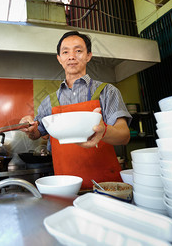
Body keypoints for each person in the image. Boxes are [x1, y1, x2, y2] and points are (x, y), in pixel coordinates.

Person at [20, 31, 131, 190]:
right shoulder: (48, 101)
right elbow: (37, 132)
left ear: (88, 56)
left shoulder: (107, 91)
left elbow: (124, 136)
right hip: (64, 186)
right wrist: (28, 127)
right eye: (65, 52)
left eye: (78, 51)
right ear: (59, 58)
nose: (71, 56)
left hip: (104, 186)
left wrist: (103, 130)